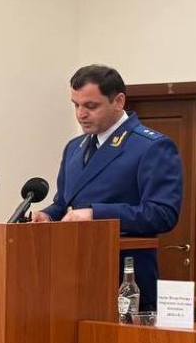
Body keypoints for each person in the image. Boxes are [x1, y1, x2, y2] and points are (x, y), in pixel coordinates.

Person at [32, 64, 182, 310]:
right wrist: (47, 215)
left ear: (118, 101)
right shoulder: (74, 148)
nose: (81, 114)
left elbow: (162, 213)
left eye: (91, 106)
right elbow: (65, 203)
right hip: (70, 276)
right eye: (76, 105)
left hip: (122, 280)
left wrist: (96, 214)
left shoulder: (150, 146)